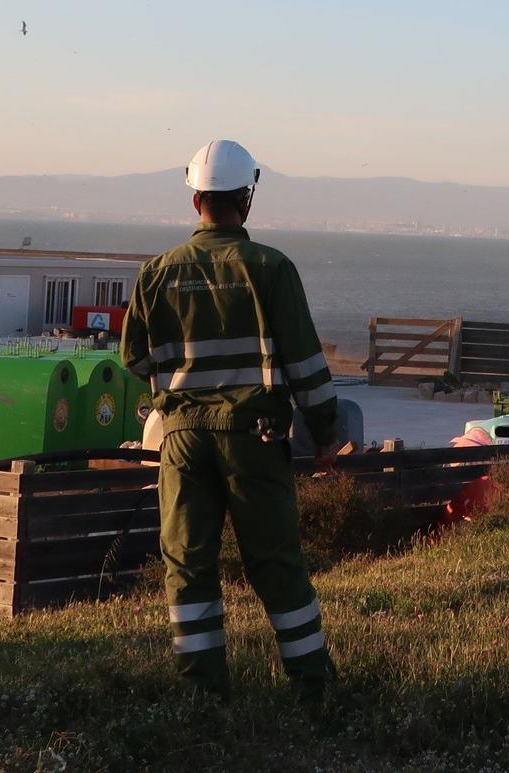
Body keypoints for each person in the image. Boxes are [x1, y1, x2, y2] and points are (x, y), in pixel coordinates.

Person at [120, 139, 339, 701]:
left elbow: (133, 359)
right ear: (247, 198)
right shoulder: (272, 268)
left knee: (188, 565)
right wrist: (325, 431)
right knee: (275, 563)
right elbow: (306, 364)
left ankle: (204, 694)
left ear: (196, 199)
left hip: (184, 440)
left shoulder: (156, 272)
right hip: (254, 439)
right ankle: (313, 689)